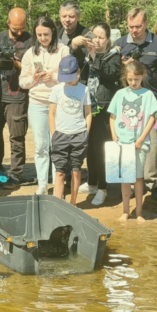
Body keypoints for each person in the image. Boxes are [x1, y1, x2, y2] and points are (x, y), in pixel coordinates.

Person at [113, 7, 157, 200]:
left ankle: (151, 182)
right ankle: (129, 182)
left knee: (151, 143)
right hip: (127, 104)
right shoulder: (120, 43)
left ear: (146, 23)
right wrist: (122, 66)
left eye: (138, 26)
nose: (134, 30)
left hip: (151, 101)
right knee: (128, 140)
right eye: (130, 26)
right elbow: (112, 73)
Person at [20, 15, 71, 194]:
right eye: (39, 35)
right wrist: (33, 78)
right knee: (41, 145)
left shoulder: (63, 51)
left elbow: (72, 77)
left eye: (46, 34)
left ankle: (58, 182)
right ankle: (42, 183)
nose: (43, 38)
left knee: (57, 145)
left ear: (53, 32)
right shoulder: (30, 53)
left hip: (58, 104)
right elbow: (22, 83)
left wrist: (54, 77)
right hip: (37, 104)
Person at [107, 58, 157, 222]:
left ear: (142, 76)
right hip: (122, 143)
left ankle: (139, 212)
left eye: (136, 79)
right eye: (130, 79)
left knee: (137, 178)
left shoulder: (148, 94)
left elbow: (152, 118)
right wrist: (114, 136)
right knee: (125, 179)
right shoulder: (120, 94)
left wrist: (141, 139)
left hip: (139, 144)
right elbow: (113, 116)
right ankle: (125, 210)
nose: (133, 82)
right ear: (125, 78)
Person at [0, 8, 33, 186]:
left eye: (22, 28)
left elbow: (32, 70)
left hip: (18, 95)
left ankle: (16, 173)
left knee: (17, 136)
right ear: (8, 24)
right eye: (16, 29)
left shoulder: (31, 40)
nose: (20, 32)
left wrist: (15, 62)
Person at [85, 23, 123, 206]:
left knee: (101, 150)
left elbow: (110, 74)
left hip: (104, 109)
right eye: (94, 37)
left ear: (108, 39)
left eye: (101, 37)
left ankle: (103, 188)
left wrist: (94, 56)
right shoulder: (85, 56)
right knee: (89, 149)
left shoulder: (114, 57)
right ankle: (92, 183)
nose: (97, 40)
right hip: (87, 109)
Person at [49, 55, 92, 204]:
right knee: (60, 172)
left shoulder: (84, 90)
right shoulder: (57, 89)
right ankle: (57, 203)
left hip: (79, 134)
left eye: (71, 76)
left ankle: (73, 203)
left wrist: (86, 132)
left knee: (76, 170)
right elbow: (51, 112)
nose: (68, 79)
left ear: (78, 71)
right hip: (60, 135)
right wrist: (54, 133)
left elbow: (88, 113)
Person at [57, 0, 92, 78]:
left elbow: (86, 61)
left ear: (78, 17)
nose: (67, 19)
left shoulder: (87, 34)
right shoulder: (55, 33)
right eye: (64, 16)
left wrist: (74, 48)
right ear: (60, 16)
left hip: (78, 79)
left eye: (71, 16)